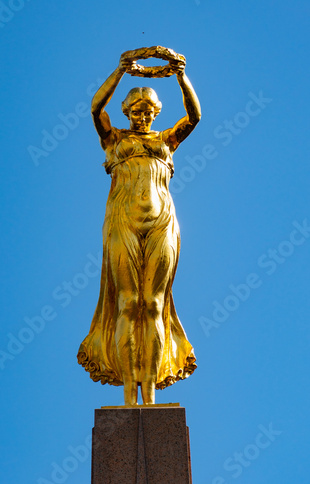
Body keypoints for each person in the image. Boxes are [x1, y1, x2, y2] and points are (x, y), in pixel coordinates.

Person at [77, 51, 201, 405]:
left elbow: (195, 116)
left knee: (154, 304)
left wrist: (180, 75)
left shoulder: (166, 142)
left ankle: (150, 397)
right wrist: (119, 71)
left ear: (156, 114)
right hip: (123, 222)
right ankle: (130, 396)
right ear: (127, 113)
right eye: (136, 111)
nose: (143, 116)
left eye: (149, 111)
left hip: (162, 222)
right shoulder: (114, 140)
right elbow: (95, 109)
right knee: (128, 304)